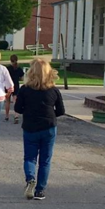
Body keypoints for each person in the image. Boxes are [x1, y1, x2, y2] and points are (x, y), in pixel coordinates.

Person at [15, 60, 65, 201]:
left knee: (30, 157)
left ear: (31, 72)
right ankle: (40, 190)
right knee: (45, 160)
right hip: (48, 126)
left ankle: (30, 178)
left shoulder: (25, 89)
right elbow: (61, 110)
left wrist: (28, 110)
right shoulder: (54, 90)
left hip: (30, 126)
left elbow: (18, 109)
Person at [6, 54, 25, 123]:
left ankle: (7, 116)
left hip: (8, 85)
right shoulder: (19, 69)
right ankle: (16, 115)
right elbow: (22, 78)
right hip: (16, 85)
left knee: (7, 101)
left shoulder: (8, 68)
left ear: (10, 60)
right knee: (15, 100)